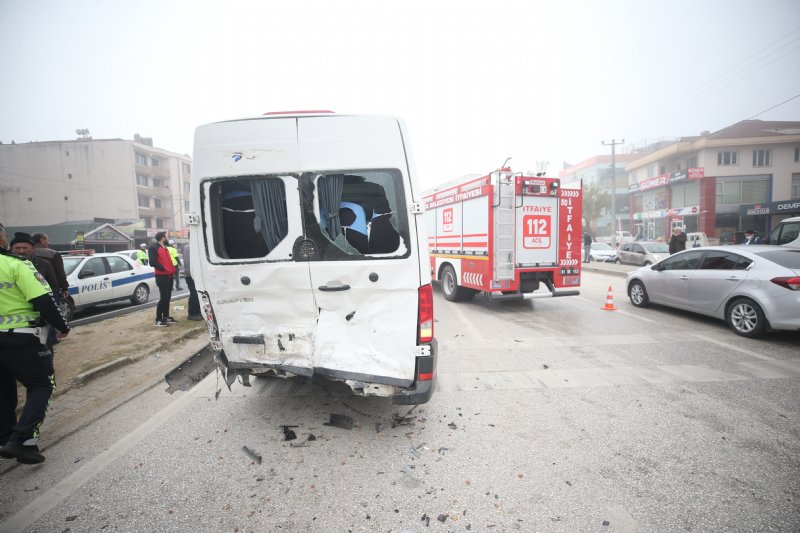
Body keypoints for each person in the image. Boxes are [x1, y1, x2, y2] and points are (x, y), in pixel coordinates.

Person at [0, 222, 70, 464]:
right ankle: (19, 440)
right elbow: (43, 299)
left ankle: (13, 439)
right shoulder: (16, 265)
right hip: (21, 337)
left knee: (4, 391)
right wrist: (63, 326)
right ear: (2, 240)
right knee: (42, 385)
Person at [148, 232, 177, 327]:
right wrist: (163, 268)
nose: (167, 238)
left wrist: (172, 270)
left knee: (167, 297)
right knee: (164, 297)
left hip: (169, 275)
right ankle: (158, 319)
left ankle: (166, 316)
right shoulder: (153, 247)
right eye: (165, 237)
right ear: (162, 238)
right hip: (161, 276)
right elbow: (152, 262)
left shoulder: (165, 247)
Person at [31, 233, 69, 302]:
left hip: (32, 289)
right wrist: (64, 288)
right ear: (42, 240)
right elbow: (60, 274)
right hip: (51, 289)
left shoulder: (28, 253)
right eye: (48, 240)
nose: (48, 242)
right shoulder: (53, 254)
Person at [182, 241, 202, 321]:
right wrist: (192, 275)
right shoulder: (189, 247)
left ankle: (198, 312)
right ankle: (192, 314)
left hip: (195, 275)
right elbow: (188, 262)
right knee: (194, 294)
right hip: (191, 275)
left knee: (198, 294)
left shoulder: (195, 245)